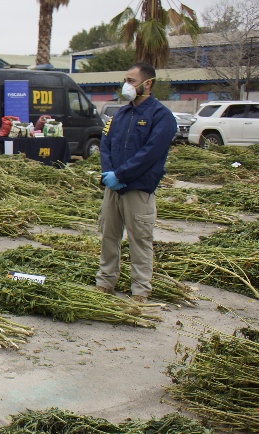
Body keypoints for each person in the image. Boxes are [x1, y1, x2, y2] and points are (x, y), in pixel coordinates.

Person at [96, 62, 176, 304]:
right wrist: (109, 173)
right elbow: (105, 144)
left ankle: (140, 290)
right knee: (109, 236)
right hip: (113, 188)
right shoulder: (119, 115)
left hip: (138, 189)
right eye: (126, 80)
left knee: (139, 239)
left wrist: (122, 175)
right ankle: (105, 282)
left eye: (131, 81)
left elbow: (151, 153)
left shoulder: (161, 116)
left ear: (147, 83)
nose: (126, 85)